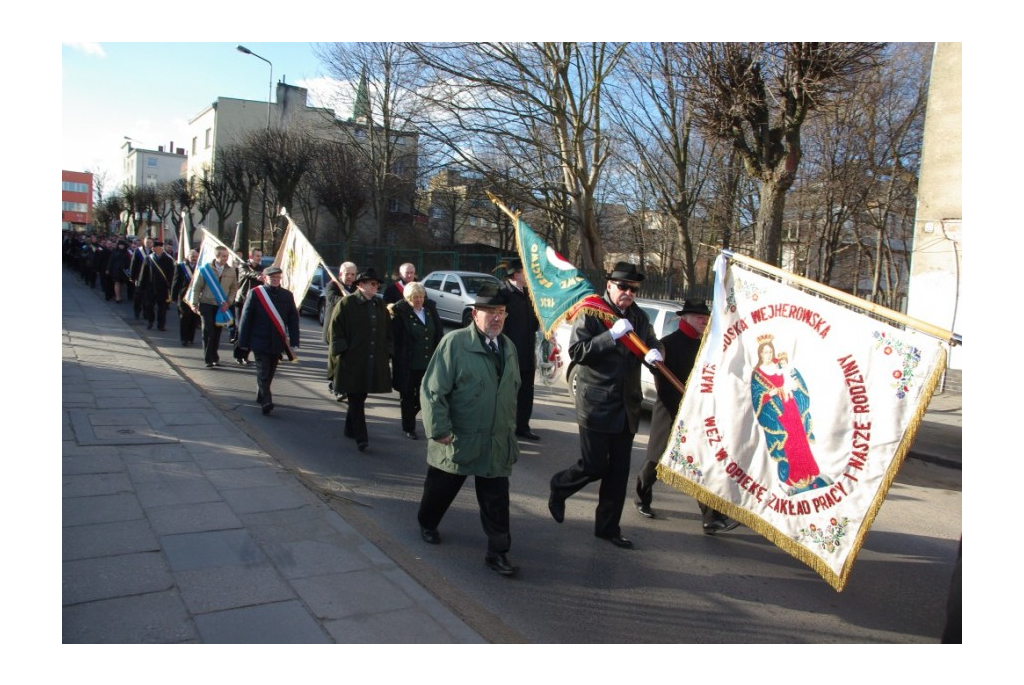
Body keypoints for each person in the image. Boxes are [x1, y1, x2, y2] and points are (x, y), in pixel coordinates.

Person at [548, 262, 664, 549]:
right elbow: (577, 351)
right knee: (595, 465)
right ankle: (560, 486)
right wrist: (610, 336)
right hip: (596, 404)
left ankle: (608, 527)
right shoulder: (592, 312)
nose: (628, 292)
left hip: (626, 407)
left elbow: (653, 342)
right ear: (609, 285)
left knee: (618, 473)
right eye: (622, 286)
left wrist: (655, 353)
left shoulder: (637, 316)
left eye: (633, 288)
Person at [416, 284, 522, 577]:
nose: (496, 318)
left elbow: (512, 394)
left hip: (495, 441)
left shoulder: (509, 348)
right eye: (489, 312)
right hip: (458, 437)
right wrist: (439, 429)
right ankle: (427, 522)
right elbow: (433, 390)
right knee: (440, 490)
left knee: (497, 501)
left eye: (501, 312)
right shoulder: (455, 344)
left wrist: (512, 431)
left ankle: (498, 552)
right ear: (475, 314)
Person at [634, 298, 739, 534]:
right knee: (656, 458)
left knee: (702, 462)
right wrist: (681, 405)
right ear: (686, 318)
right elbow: (660, 378)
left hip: (698, 413)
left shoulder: (707, 346)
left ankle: (711, 517)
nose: (704, 321)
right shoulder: (668, 344)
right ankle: (642, 496)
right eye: (700, 318)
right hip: (671, 410)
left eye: (706, 318)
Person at [751, 335, 832, 495]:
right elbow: (756, 396)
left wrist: (793, 378)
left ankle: (809, 476)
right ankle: (791, 480)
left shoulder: (780, 365)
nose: (768, 354)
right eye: (765, 352)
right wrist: (769, 393)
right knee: (788, 443)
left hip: (791, 407)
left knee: (800, 439)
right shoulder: (757, 374)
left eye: (769, 351)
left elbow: (795, 379)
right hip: (776, 414)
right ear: (760, 354)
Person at [328, 268, 393, 451]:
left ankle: (350, 428)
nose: (375, 287)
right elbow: (335, 330)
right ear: (361, 285)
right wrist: (342, 352)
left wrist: (388, 351)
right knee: (355, 396)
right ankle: (361, 437)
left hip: (372, 359)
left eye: (377, 284)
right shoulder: (347, 303)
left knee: (360, 395)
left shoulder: (380, 305)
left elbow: (388, 331)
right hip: (352, 360)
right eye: (372, 283)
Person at [236, 266, 300, 415]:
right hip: (259, 340)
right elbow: (246, 318)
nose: (276, 280)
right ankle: (267, 401)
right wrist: (243, 341)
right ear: (265, 278)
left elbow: (292, 319)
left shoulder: (287, 295)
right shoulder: (256, 294)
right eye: (272, 278)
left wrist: (295, 340)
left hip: (278, 341)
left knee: (270, 371)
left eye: (278, 277)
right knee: (263, 370)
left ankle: (261, 394)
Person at [391, 281, 444, 439]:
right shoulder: (401, 315)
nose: (418, 300)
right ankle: (409, 426)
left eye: (421, 296)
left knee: (427, 395)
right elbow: (396, 340)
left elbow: (437, 333)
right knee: (407, 395)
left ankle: (411, 414)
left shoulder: (429, 311)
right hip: (409, 363)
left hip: (429, 363)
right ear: (408, 298)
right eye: (415, 297)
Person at [500, 258, 542, 441]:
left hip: (526, 352)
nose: (529, 276)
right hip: (508, 353)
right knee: (508, 393)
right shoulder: (503, 294)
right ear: (516, 274)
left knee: (526, 392)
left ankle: (522, 426)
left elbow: (532, 323)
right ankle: (504, 426)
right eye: (526, 272)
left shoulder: (528, 294)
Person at [188, 245, 239, 368]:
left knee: (217, 332)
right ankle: (208, 359)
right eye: (223, 256)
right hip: (207, 304)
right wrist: (194, 303)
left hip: (222, 305)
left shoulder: (231, 270)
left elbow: (234, 288)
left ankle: (215, 356)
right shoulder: (205, 269)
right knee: (208, 331)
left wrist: (229, 301)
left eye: (227, 256)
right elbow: (196, 287)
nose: (226, 258)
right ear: (216, 256)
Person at [232, 248, 265, 363]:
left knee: (252, 329)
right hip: (242, 301)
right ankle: (238, 354)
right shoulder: (243, 266)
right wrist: (258, 276)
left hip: (255, 302)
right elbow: (248, 273)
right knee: (241, 328)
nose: (259, 258)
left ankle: (245, 355)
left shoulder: (262, 269)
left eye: (260, 256)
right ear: (251, 256)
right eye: (257, 256)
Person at [139, 240, 176, 331]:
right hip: (150, 287)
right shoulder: (148, 258)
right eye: (153, 247)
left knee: (162, 307)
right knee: (149, 305)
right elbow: (143, 273)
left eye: (155, 247)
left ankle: (161, 324)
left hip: (162, 287)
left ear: (160, 248)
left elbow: (171, 274)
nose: (154, 249)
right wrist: (141, 285)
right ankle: (150, 320)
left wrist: (171, 287)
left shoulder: (168, 260)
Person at [171, 249, 201, 346]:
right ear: (188, 257)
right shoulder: (180, 267)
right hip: (183, 296)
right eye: (192, 256)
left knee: (193, 318)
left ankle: (191, 337)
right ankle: (184, 338)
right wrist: (174, 296)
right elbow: (175, 282)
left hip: (196, 297)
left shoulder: (200, 267)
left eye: (196, 257)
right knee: (184, 317)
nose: (194, 259)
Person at [129, 237, 154, 320]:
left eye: (150, 242)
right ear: (144, 242)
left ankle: (145, 312)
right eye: (147, 242)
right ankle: (137, 312)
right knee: (138, 296)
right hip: (139, 277)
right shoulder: (138, 251)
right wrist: (132, 276)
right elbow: (133, 264)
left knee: (147, 297)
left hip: (149, 278)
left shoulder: (153, 252)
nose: (149, 244)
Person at [107, 239, 131, 303]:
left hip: (124, 270)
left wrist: (128, 271)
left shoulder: (126, 252)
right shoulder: (114, 252)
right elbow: (111, 261)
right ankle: (118, 297)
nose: (121, 246)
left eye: (122, 245)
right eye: (120, 245)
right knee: (117, 282)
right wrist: (108, 269)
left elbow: (129, 262)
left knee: (122, 283)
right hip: (116, 269)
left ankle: (119, 295)